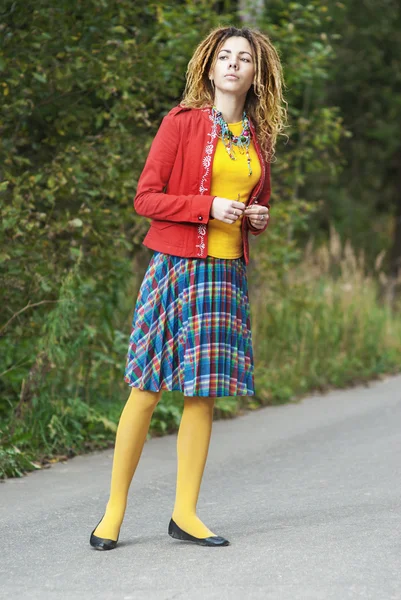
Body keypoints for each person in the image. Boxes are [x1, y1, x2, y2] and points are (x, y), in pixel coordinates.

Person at [90, 25, 286, 550]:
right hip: (176, 268)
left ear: (255, 73)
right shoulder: (181, 123)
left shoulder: (257, 138)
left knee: (203, 396)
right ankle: (113, 512)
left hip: (225, 275)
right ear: (209, 66)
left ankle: (185, 513)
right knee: (146, 389)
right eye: (224, 56)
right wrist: (206, 209)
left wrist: (256, 218)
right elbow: (146, 198)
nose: (233, 65)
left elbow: (251, 201)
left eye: (244, 59)